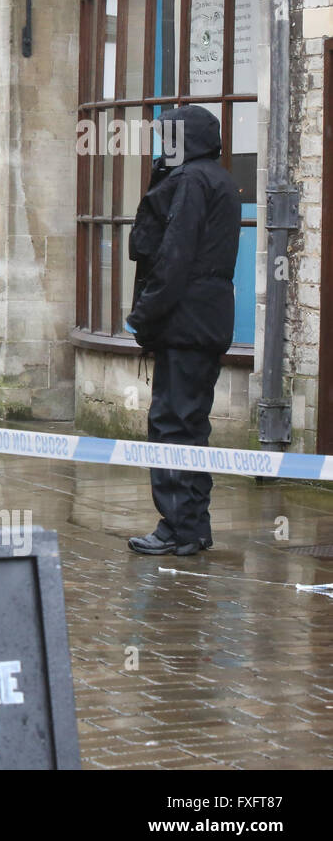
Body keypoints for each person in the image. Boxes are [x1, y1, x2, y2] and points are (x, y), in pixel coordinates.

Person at [126, 105, 242, 556]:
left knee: (172, 423)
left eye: (168, 139)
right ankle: (191, 525)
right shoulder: (218, 179)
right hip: (205, 320)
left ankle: (177, 527)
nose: (162, 148)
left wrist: (144, 315)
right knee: (190, 424)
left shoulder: (193, 181)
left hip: (186, 321)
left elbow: (175, 255)